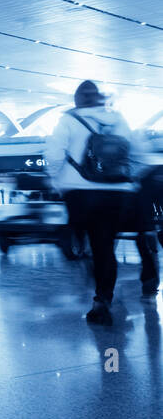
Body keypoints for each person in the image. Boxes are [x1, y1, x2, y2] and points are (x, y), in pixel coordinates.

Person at [44, 80, 157, 325]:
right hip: (118, 194)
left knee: (84, 238)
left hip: (80, 194)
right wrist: (129, 179)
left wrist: (56, 181)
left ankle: (83, 251)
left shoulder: (68, 120)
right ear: (99, 99)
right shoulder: (119, 119)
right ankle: (102, 299)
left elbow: (53, 154)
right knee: (105, 246)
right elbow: (140, 154)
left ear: (76, 100)